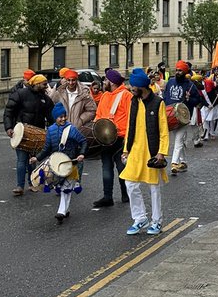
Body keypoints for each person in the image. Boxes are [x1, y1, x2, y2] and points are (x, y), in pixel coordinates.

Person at [120, 68, 169, 236]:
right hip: (134, 151)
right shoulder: (134, 101)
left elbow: (163, 130)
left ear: (141, 87)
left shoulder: (158, 103)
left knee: (154, 187)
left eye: (133, 87)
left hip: (152, 152)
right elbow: (129, 127)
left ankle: (157, 221)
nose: (130, 88)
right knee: (130, 184)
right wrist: (126, 149)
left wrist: (161, 153)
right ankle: (140, 218)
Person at [30, 103, 86, 223]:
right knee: (63, 188)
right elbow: (46, 148)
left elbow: (83, 141)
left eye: (64, 116)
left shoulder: (72, 129)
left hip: (71, 163)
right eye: (60, 117)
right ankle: (66, 209)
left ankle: (61, 212)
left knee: (65, 187)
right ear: (55, 118)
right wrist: (37, 158)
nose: (63, 118)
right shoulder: (50, 130)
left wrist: (81, 154)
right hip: (57, 165)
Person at [3, 73, 54, 196]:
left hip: (37, 134)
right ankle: (20, 186)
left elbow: (51, 117)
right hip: (21, 132)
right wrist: (9, 127)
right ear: (36, 84)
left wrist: (53, 131)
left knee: (32, 160)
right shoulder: (21, 94)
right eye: (44, 84)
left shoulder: (45, 99)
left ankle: (31, 184)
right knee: (21, 160)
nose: (46, 86)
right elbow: (9, 111)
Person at [93, 68, 131, 207]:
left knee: (121, 167)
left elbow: (131, 119)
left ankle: (126, 194)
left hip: (120, 138)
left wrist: (128, 138)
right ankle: (107, 196)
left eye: (105, 80)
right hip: (104, 138)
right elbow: (98, 115)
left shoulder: (126, 96)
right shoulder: (105, 96)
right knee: (106, 168)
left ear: (112, 82)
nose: (104, 82)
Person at [162, 60, 197, 174]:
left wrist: (189, 99)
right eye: (177, 70)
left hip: (183, 117)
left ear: (185, 72)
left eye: (180, 70)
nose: (177, 72)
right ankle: (183, 161)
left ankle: (174, 163)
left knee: (178, 139)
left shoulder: (190, 85)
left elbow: (197, 100)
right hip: (170, 115)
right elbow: (165, 96)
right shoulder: (171, 82)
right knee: (179, 140)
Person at [57, 69, 97, 135]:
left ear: (77, 80)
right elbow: (53, 107)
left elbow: (92, 110)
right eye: (68, 80)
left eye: (73, 80)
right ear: (66, 80)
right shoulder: (60, 92)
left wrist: (81, 120)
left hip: (78, 129)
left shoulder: (84, 93)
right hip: (62, 128)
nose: (71, 83)